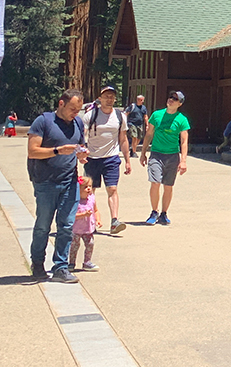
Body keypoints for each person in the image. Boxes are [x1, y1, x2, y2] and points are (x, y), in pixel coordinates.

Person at [27, 90, 88, 283]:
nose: (75, 114)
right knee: (43, 225)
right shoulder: (43, 122)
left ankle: (60, 267)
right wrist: (57, 151)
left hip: (69, 181)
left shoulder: (78, 123)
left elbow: (80, 147)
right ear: (61, 103)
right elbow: (32, 152)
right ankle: (37, 263)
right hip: (45, 182)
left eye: (78, 110)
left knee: (66, 226)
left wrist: (82, 155)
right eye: (72, 109)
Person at [82, 84, 132, 234]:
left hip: (111, 158)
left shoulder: (119, 116)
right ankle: (90, 220)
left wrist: (128, 160)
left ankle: (114, 221)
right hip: (92, 158)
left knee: (112, 188)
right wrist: (83, 153)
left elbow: (123, 139)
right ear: (100, 98)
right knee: (91, 190)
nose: (109, 99)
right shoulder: (90, 115)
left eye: (112, 97)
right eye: (106, 96)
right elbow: (82, 135)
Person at [140, 90, 189, 226]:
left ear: (179, 104)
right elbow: (149, 134)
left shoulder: (181, 119)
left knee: (168, 186)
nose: (171, 100)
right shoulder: (156, 115)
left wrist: (183, 161)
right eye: (170, 97)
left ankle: (163, 213)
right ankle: (154, 211)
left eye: (175, 99)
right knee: (155, 182)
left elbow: (184, 141)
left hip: (172, 156)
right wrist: (143, 152)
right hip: (156, 154)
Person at [70, 175, 101, 272]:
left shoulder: (91, 198)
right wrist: (83, 214)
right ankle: (71, 263)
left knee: (90, 244)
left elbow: (96, 210)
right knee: (74, 246)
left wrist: (98, 219)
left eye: (90, 186)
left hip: (88, 229)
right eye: (85, 187)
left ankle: (87, 262)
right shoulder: (75, 201)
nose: (88, 189)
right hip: (76, 229)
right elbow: (71, 216)